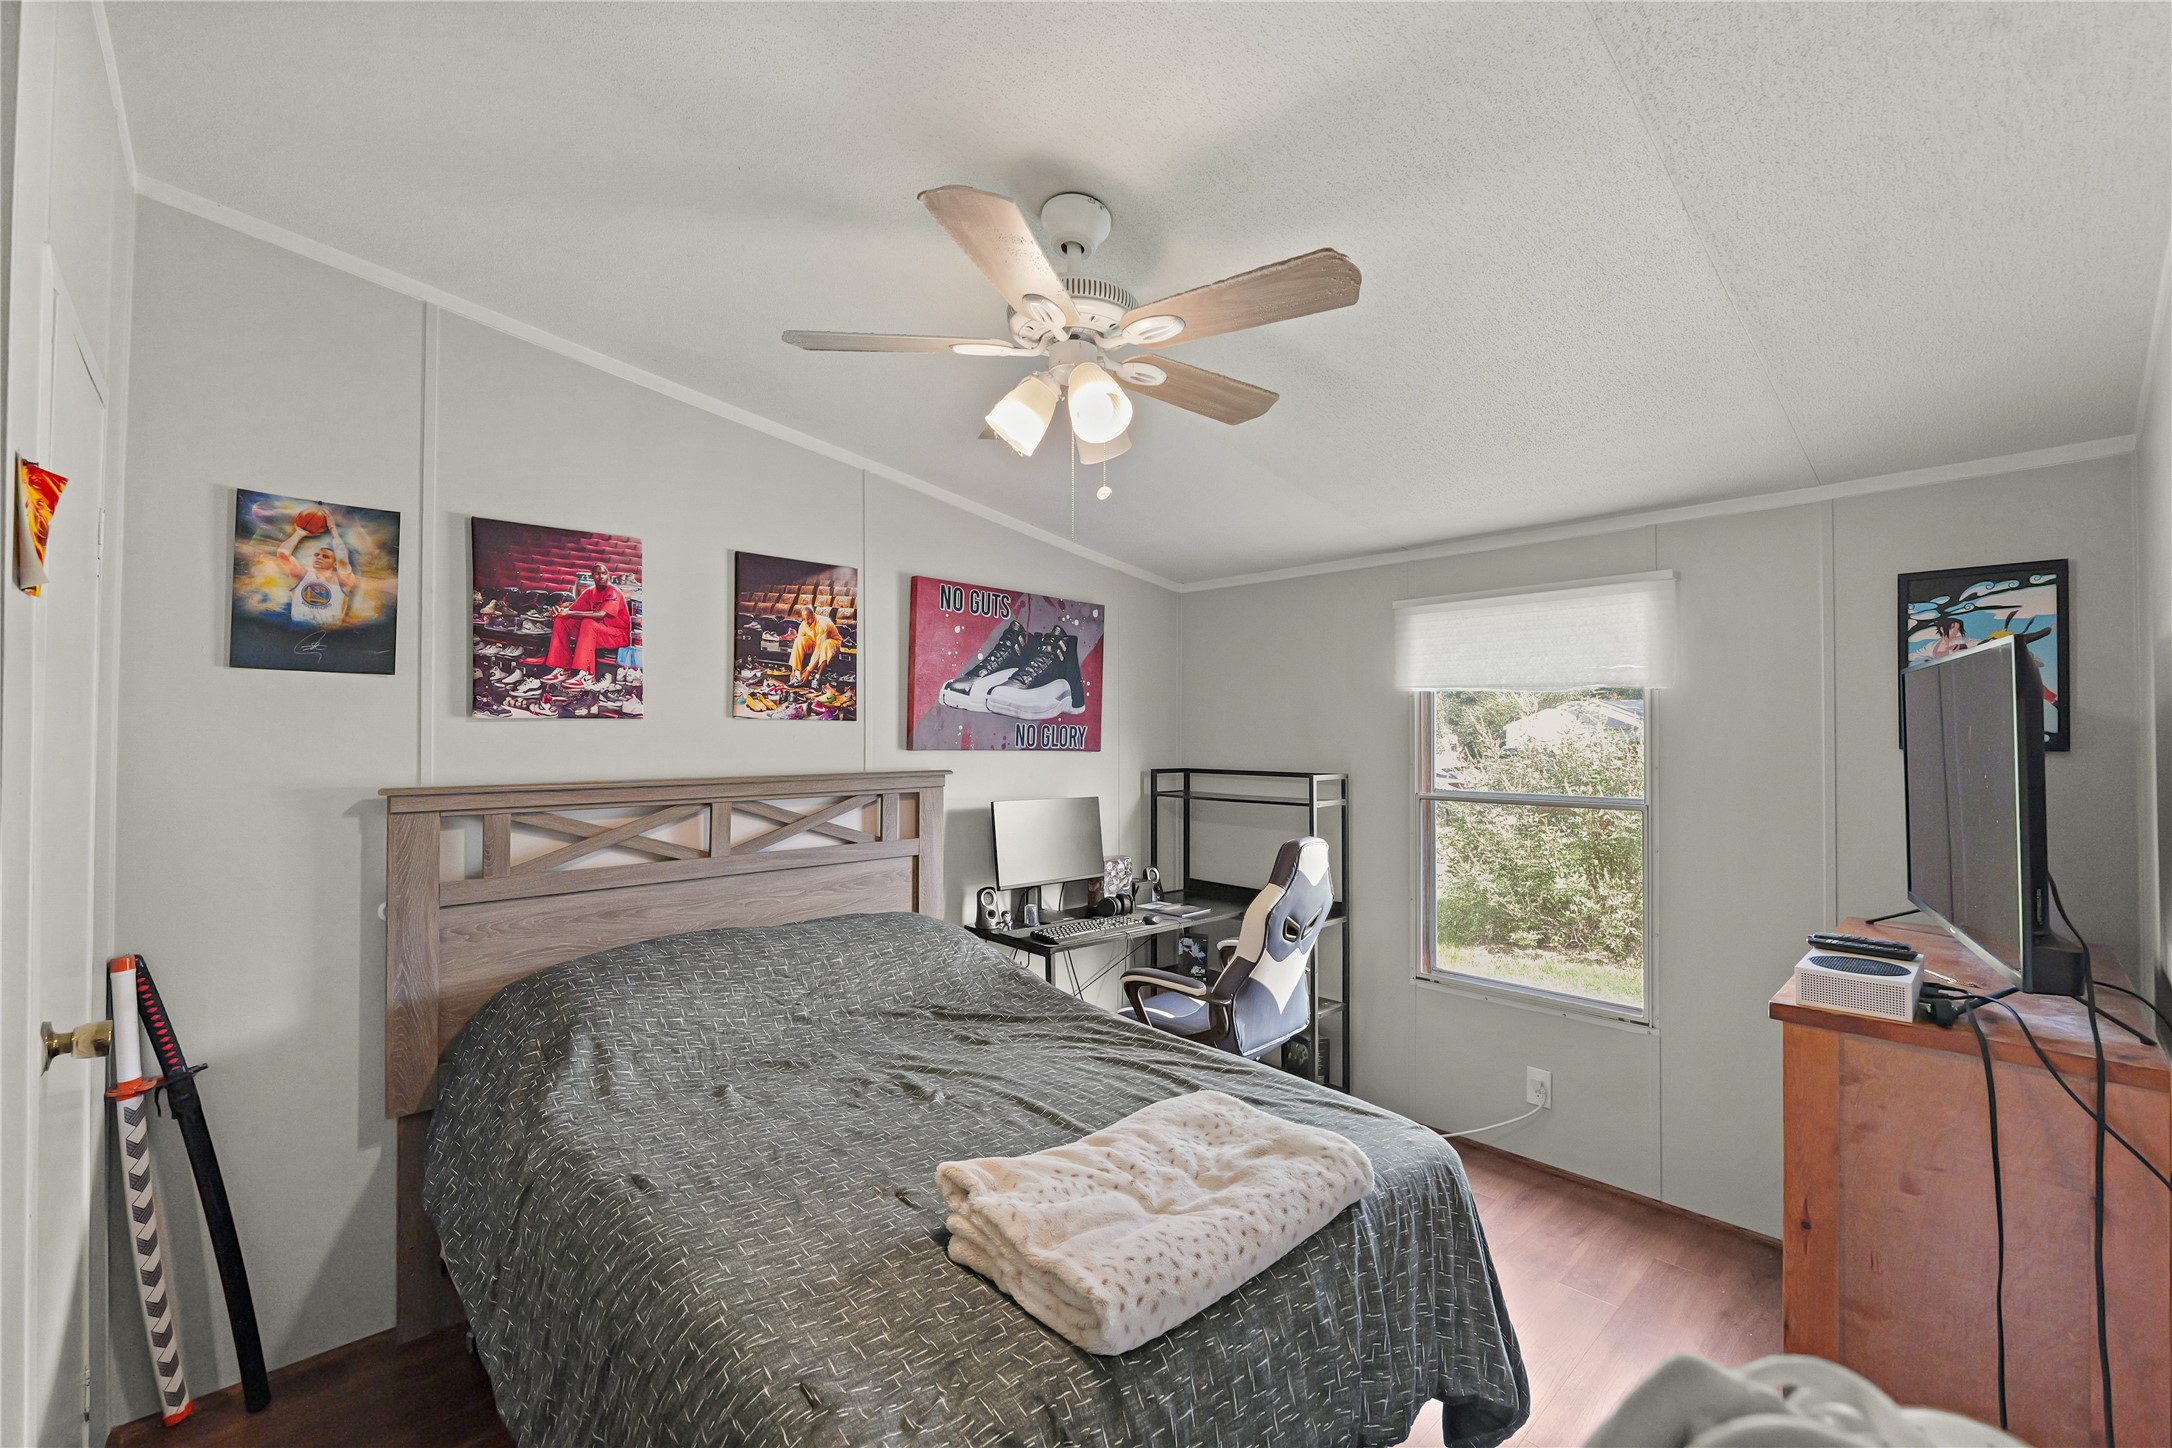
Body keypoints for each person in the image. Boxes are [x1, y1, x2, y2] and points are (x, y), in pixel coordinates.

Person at [526, 558, 632, 684]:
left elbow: (600, 615)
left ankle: (587, 675)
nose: (601, 576)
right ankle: (563, 668)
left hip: (619, 635)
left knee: (588, 622)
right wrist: (558, 612)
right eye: (597, 574)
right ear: (592, 576)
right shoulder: (590, 592)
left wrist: (569, 613)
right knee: (561, 620)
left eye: (604, 573)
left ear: (608, 575)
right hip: (599, 632)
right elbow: (571, 611)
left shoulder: (614, 592)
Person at [274, 519, 358, 630]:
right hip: (299, 630)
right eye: (317, 555)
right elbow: (282, 554)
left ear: (335, 564)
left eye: (325, 556)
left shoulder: (343, 580)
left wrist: (332, 528)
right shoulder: (302, 575)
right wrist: (299, 533)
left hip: (328, 633)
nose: (319, 557)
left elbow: (342, 558)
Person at [789, 602, 843, 687]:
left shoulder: (823, 624)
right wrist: (794, 669)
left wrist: (808, 670)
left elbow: (819, 648)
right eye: (804, 619)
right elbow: (797, 646)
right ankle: (797, 676)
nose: (807, 622)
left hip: (832, 644)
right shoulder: (803, 624)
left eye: (809, 619)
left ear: (813, 615)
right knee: (799, 640)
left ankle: (817, 676)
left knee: (826, 644)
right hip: (815, 643)